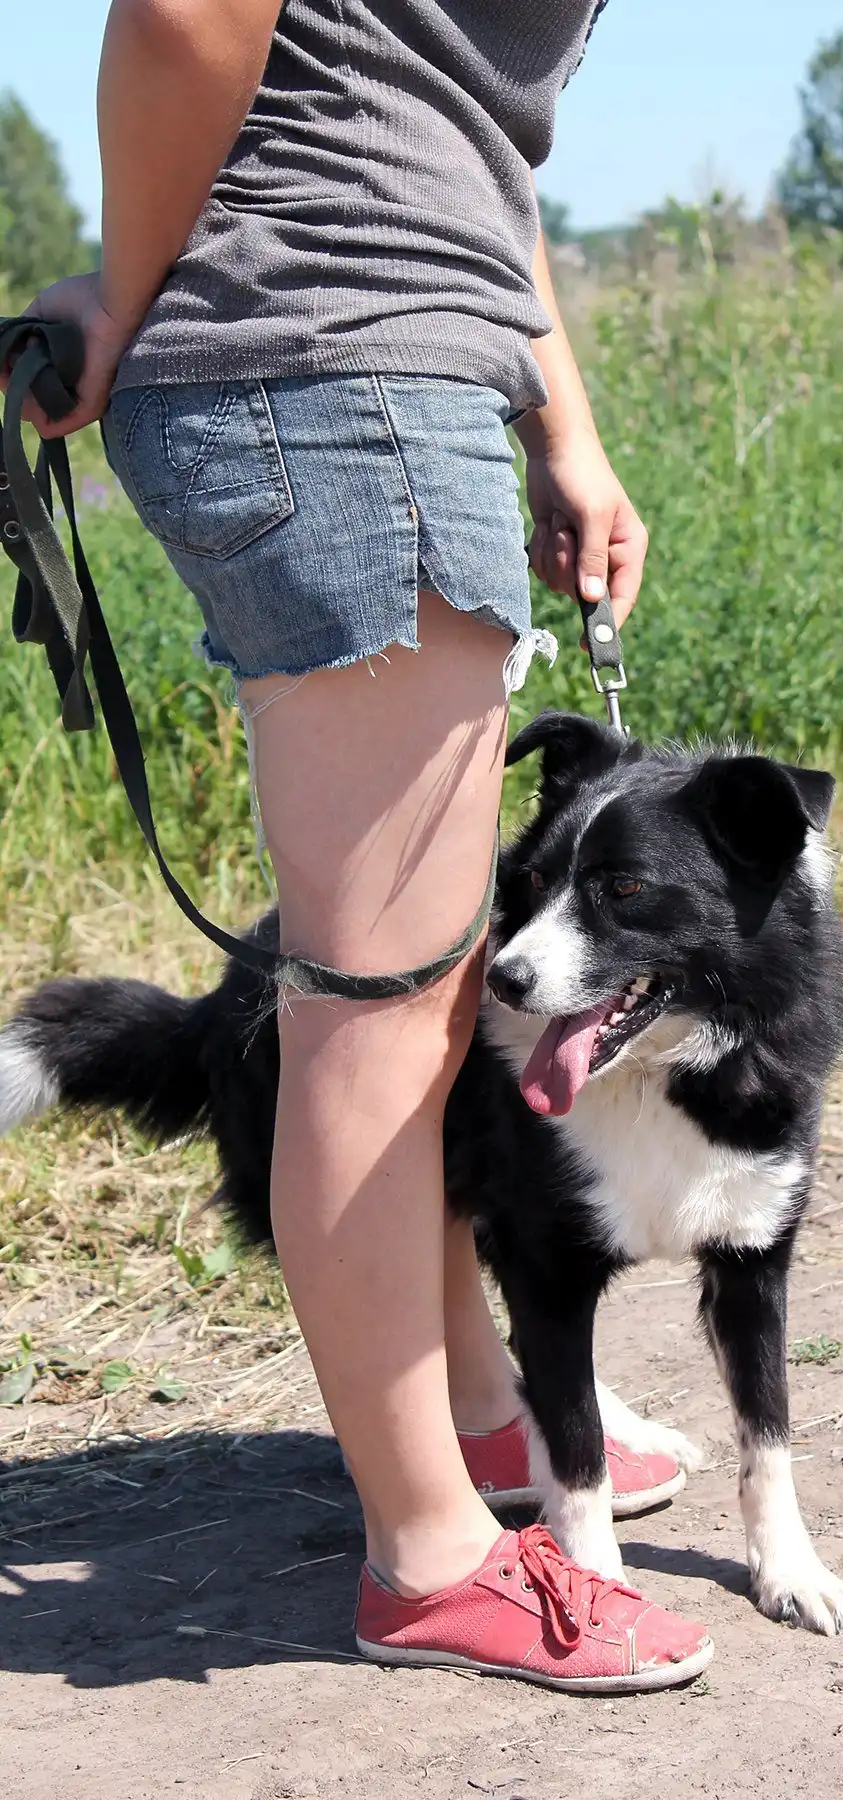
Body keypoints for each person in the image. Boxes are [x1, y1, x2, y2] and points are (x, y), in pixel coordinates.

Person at [14, 0, 712, 1692]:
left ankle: (474, 1416)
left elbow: (449, 113)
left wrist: (560, 423)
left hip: (387, 360)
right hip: (331, 377)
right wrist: (131, 288)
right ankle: (432, 1559)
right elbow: (187, 13)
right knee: (380, 1007)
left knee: (429, 986)